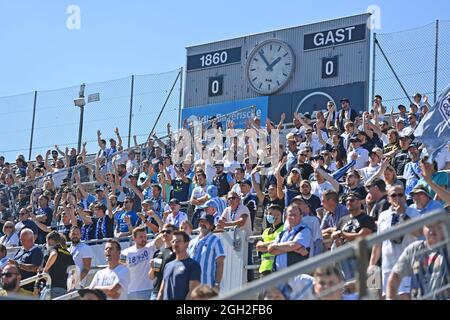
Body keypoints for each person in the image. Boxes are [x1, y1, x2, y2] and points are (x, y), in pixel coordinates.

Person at [369, 185, 421, 299]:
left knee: (405, 296)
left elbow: (418, 233)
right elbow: (378, 243)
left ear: (404, 197)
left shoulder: (414, 213)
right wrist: (371, 266)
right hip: (388, 266)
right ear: (388, 198)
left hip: (408, 265)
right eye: (393, 195)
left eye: (400, 195)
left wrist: (403, 215)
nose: (397, 198)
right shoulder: (383, 216)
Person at [387, 222, 450, 300]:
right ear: (423, 230)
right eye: (429, 226)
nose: (433, 230)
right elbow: (395, 275)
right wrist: (390, 297)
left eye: (438, 227)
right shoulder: (414, 249)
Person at [217, 191, 254, 281]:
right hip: (233, 241)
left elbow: (241, 222)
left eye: (233, 198)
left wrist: (225, 224)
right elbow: (220, 224)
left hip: (246, 240)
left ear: (238, 199)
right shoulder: (227, 210)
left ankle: (251, 283)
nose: (231, 200)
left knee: (247, 262)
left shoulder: (243, 208)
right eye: (229, 198)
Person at [158, 231, 201, 300]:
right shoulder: (168, 265)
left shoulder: (193, 265)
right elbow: (161, 291)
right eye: (173, 241)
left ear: (187, 244)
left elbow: (192, 292)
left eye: (178, 241)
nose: (175, 244)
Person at [121, 226, 162, 300]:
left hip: (148, 290)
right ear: (134, 238)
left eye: (145, 236)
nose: (144, 239)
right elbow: (119, 269)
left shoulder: (150, 247)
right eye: (141, 237)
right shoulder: (124, 253)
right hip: (130, 291)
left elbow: (161, 237)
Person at [268, 205, 312, 271]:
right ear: (286, 216)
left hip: (296, 274)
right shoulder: (281, 233)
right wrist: (291, 249)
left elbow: (293, 245)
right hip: (278, 275)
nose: (293, 217)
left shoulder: (305, 231)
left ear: (301, 216)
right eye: (290, 215)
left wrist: (275, 245)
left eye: (295, 215)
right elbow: (271, 250)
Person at [188, 213, 225, 289]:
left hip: (207, 286)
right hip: (190, 286)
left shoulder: (216, 241)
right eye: (201, 221)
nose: (202, 224)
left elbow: (220, 263)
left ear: (211, 226)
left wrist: (217, 284)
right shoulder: (192, 242)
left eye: (205, 222)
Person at [38, 231, 76, 299]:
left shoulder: (54, 249)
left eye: (47, 241)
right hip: (64, 290)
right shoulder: (68, 253)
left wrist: (45, 270)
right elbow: (74, 270)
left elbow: (54, 254)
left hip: (52, 288)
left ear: (50, 240)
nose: (47, 244)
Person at [148, 224, 177, 300]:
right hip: (155, 292)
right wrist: (152, 268)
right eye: (163, 231)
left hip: (171, 292)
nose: (164, 234)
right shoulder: (157, 252)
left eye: (168, 232)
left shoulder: (177, 252)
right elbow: (151, 277)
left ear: (175, 233)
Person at [10, 228, 43, 294]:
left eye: (24, 240)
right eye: (21, 240)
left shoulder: (37, 251)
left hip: (25, 288)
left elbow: (35, 268)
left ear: (31, 240)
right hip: (14, 286)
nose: (21, 242)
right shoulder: (21, 250)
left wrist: (18, 265)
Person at [256, 205, 285, 276]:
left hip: (277, 267)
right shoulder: (266, 231)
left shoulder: (284, 229)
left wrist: (264, 246)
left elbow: (280, 244)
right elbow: (258, 247)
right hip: (264, 268)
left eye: (270, 213)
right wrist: (273, 244)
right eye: (268, 214)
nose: (268, 216)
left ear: (278, 215)